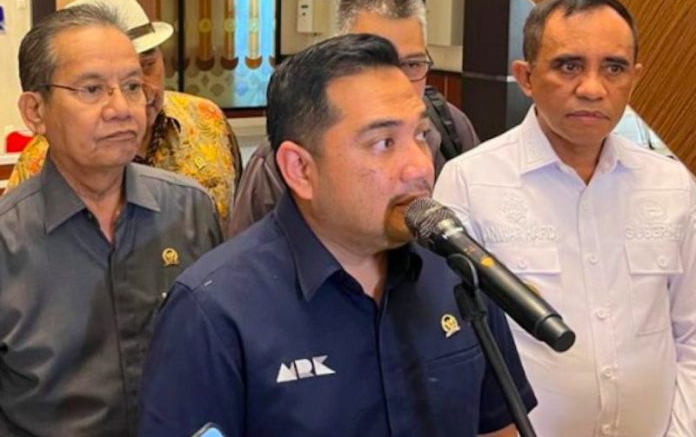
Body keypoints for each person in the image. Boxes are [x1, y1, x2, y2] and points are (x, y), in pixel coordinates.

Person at [138, 34, 535, 437]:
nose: (419, 166)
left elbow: (499, 427)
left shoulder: (457, 272)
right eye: (383, 143)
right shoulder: (213, 312)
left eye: (420, 135)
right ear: (300, 169)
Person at [434, 0, 696, 436]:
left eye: (613, 68)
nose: (592, 89)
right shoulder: (470, 183)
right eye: (569, 66)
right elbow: (451, 341)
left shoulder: (670, 184)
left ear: (634, 78)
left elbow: (690, 332)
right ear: (526, 76)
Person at [0, 4, 223, 436]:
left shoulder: (190, 210)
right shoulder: (8, 242)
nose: (121, 108)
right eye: (92, 89)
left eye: (133, 86)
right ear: (35, 111)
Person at [228, 0, 479, 236]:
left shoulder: (452, 128)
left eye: (412, 65)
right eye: (374, 64)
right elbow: (252, 253)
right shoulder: (290, 156)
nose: (397, 82)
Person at [6, 0, 242, 228]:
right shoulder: (39, 161)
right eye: (93, 88)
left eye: (144, 69)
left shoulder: (206, 118)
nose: (128, 101)